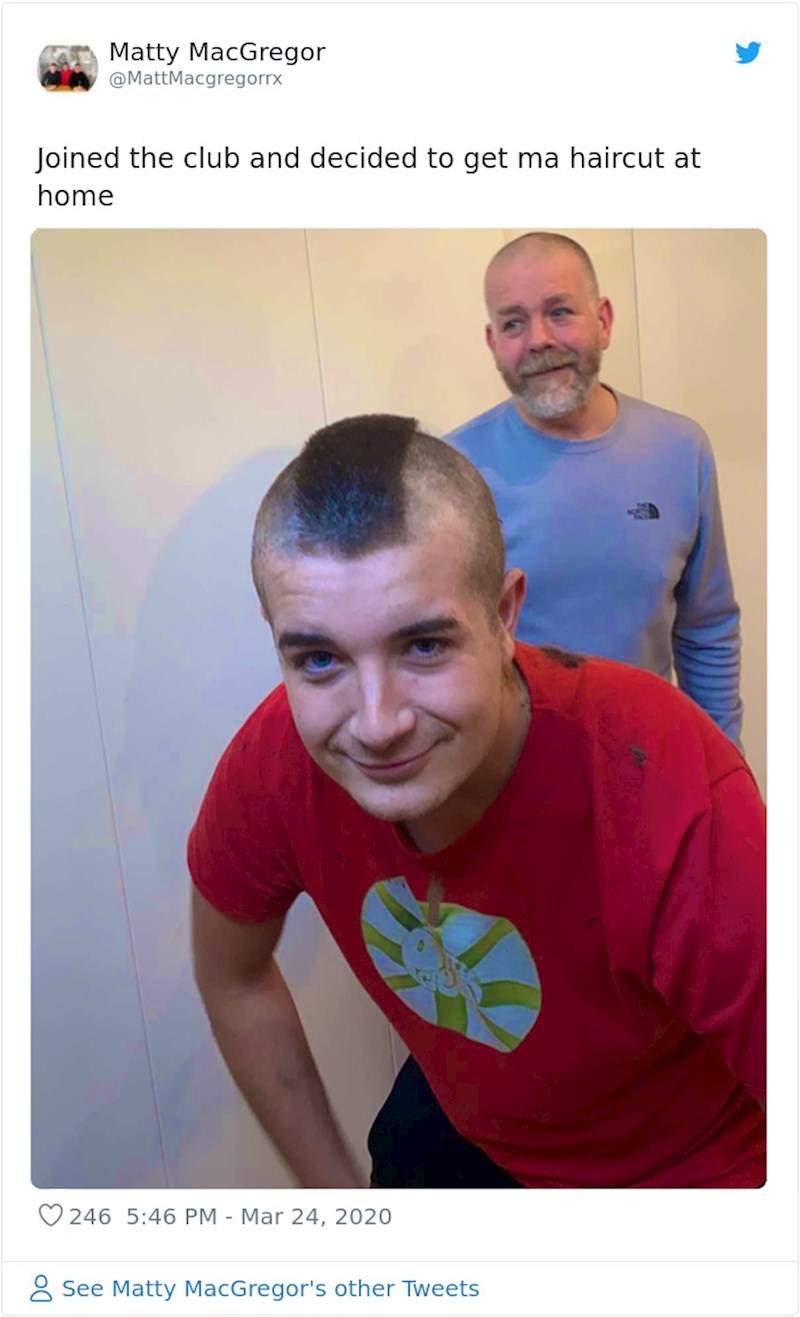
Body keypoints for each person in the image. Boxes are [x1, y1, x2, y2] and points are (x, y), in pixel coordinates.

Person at [189, 414, 765, 1189]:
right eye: (320, 658)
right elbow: (233, 978)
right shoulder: (276, 763)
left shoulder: (669, 792)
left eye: (424, 645)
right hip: (485, 1131)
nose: (377, 724)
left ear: (503, 616)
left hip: (689, 1166)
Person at [447, 232, 743, 745]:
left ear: (603, 321)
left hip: (651, 757)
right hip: (509, 769)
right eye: (514, 323)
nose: (539, 339)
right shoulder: (453, 471)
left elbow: (707, 629)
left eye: (560, 312)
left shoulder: (680, 448)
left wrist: (721, 761)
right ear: (493, 344)